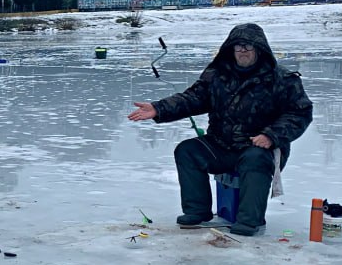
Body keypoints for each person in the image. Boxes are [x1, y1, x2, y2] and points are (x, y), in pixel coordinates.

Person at [128, 23, 313, 235]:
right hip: (221, 145)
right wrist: (158, 109)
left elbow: (300, 113)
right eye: (238, 46)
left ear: (260, 49)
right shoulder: (216, 74)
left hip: (259, 146)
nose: (243, 50)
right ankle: (197, 212)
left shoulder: (282, 79)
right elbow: (192, 98)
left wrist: (271, 135)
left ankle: (249, 222)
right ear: (230, 49)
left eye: (248, 46)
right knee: (187, 151)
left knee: (255, 159)